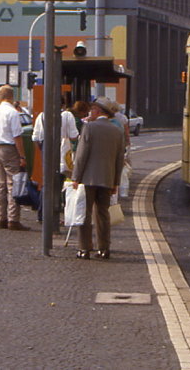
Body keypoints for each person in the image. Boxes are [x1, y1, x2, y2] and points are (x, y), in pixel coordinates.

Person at [71, 97, 126, 260]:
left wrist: (76, 177)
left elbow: (81, 155)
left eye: (92, 109)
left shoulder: (89, 127)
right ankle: (104, 248)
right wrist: (115, 181)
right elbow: (119, 159)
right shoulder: (117, 131)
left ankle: (84, 248)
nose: (90, 112)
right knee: (103, 214)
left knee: (84, 213)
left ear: (98, 111)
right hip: (107, 178)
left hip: (88, 178)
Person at [0, 85, 29, 230]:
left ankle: (1, 218)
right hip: (10, 148)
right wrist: (22, 156)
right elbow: (17, 136)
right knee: (13, 184)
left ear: (0, 96)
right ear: (12, 96)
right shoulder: (12, 113)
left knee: (0, 185)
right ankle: (13, 219)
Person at [32, 95, 80, 175]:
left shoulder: (41, 116)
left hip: (46, 151)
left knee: (48, 176)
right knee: (62, 175)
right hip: (63, 151)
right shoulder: (68, 115)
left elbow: (35, 139)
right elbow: (74, 137)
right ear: (63, 105)